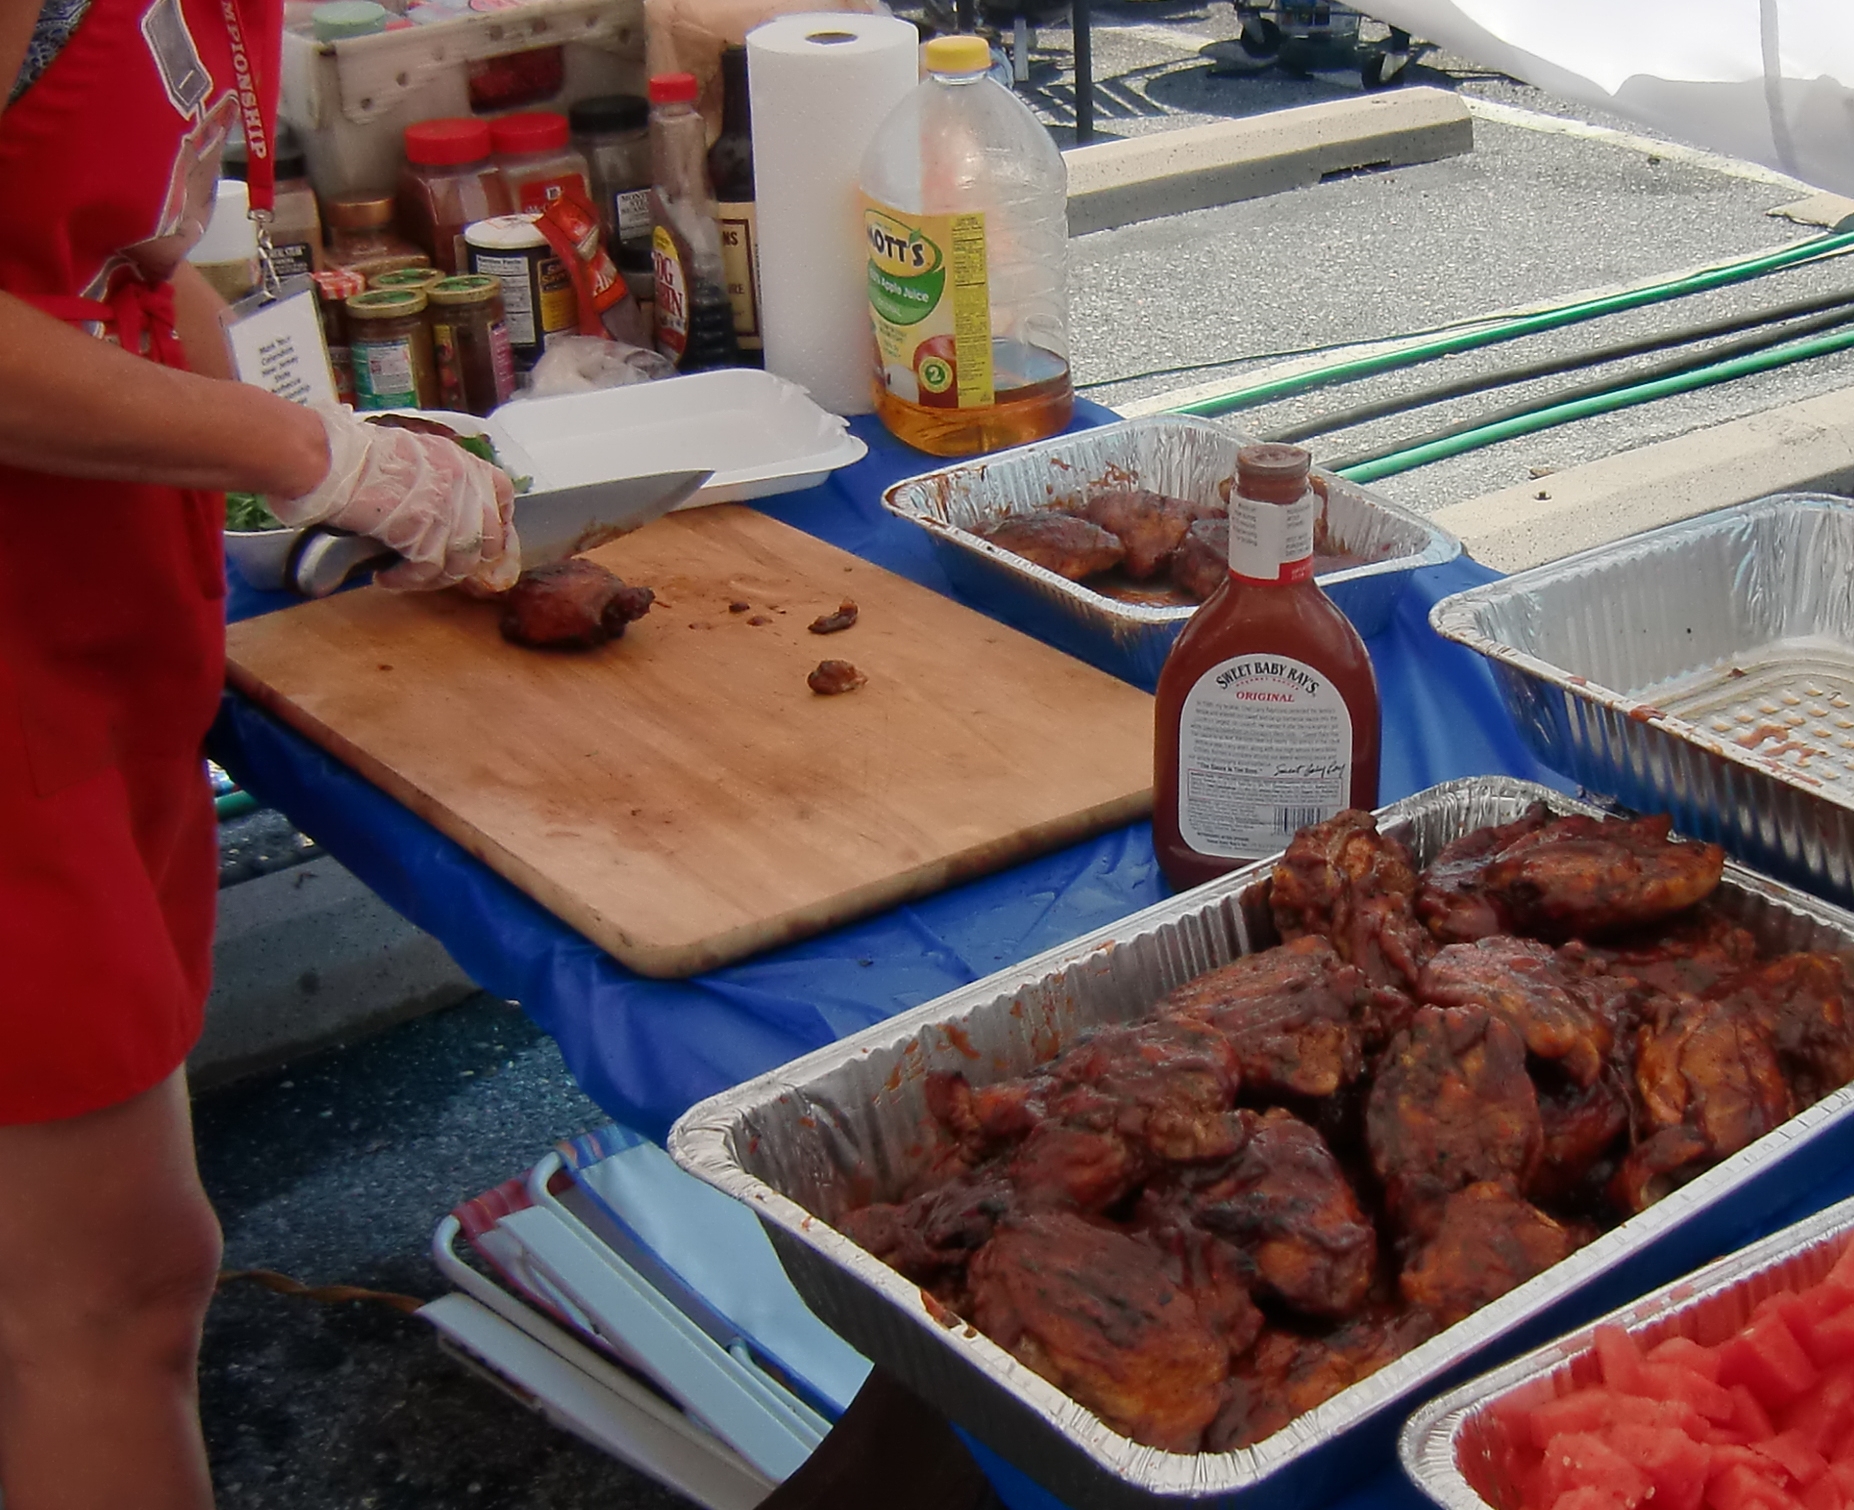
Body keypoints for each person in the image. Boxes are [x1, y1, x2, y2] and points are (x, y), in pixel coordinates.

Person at [0, 0, 521, 1501]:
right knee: (110, 1291)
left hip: (96, 636)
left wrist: (331, 434)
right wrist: (310, 457)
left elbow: (118, 258)